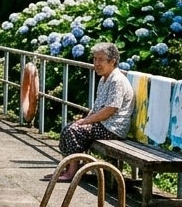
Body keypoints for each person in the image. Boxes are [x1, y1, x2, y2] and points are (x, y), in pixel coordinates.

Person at [53, 41, 134, 182]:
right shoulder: (104, 79)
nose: (96, 63)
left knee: (74, 131)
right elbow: (97, 107)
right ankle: (67, 169)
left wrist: (86, 121)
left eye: (100, 60)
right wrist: (84, 120)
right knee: (69, 127)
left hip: (113, 128)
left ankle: (72, 173)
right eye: (95, 59)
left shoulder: (117, 80)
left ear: (112, 61)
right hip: (104, 125)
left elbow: (110, 109)